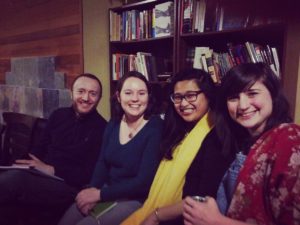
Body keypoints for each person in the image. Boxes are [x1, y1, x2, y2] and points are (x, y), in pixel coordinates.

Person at [183, 63, 300, 225]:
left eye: (252, 93)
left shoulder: (289, 139)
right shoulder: (238, 141)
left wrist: (216, 221)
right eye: (233, 98)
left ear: (273, 95)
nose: (243, 106)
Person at [0, 73, 107, 225]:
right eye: (81, 91)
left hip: (69, 185)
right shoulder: (58, 115)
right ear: (72, 93)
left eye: (93, 94)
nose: (85, 98)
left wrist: (52, 169)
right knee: (11, 177)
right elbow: (40, 147)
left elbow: (89, 173)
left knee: (16, 180)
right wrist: (26, 162)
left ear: (99, 98)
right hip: (41, 175)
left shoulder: (103, 128)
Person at [58, 71, 163, 225]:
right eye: (128, 93)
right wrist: (91, 191)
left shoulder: (155, 128)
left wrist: (99, 194)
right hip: (107, 192)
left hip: (134, 199)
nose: (135, 99)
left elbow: (143, 182)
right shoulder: (113, 124)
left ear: (148, 97)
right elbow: (102, 163)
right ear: (119, 97)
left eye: (141, 93)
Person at [121, 68, 216, 225]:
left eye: (191, 95)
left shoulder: (215, 135)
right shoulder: (175, 130)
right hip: (151, 208)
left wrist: (156, 216)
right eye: (178, 97)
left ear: (208, 95)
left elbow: (203, 196)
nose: (184, 103)